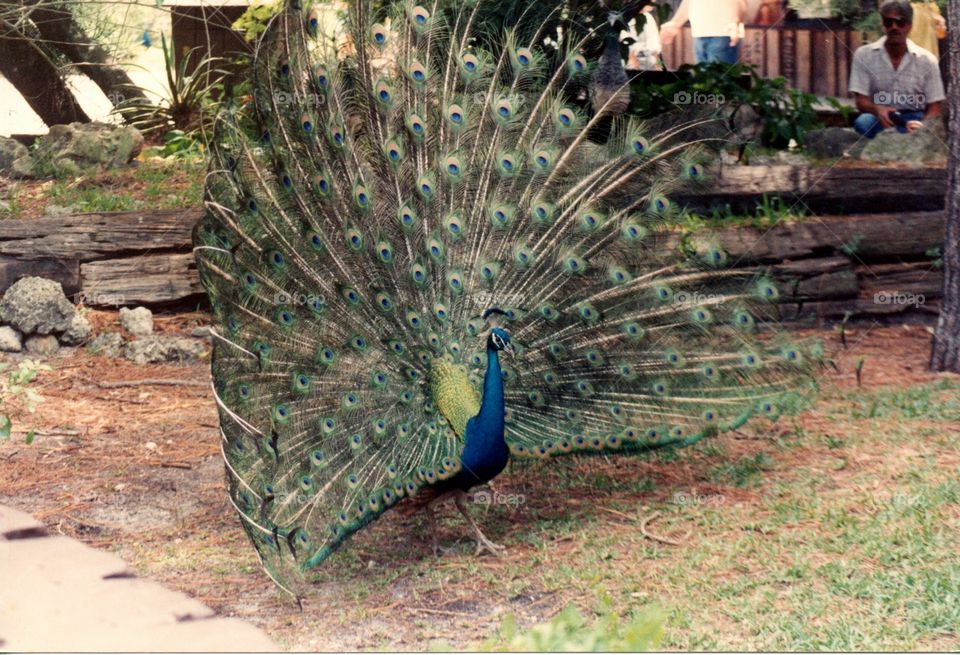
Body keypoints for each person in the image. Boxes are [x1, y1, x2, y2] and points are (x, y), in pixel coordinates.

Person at [849, 0, 945, 139]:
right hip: (879, 116)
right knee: (863, 123)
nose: (894, 27)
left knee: (921, 130)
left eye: (900, 22)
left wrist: (923, 126)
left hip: (914, 116)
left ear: (909, 25)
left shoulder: (927, 60)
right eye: (889, 22)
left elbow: (934, 106)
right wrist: (877, 109)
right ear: (883, 25)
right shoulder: (864, 55)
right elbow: (861, 101)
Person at [659, 0, 747, 65]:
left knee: (718, 84)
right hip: (700, 33)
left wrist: (735, 22)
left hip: (724, 33)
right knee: (704, 83)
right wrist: (675, 23)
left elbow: (740, 3)